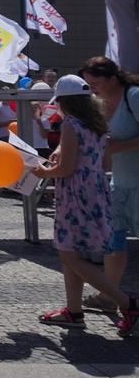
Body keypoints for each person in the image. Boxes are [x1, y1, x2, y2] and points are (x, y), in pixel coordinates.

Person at [32, 75, 139, 336]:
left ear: (65, 102)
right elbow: (103, 164)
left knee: (68, 255)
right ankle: (74, 311)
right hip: (96, 192)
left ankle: (127, 303)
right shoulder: (98, 124)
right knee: (73, 253)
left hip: (75, 196)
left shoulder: (70, 124)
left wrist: (43, 172)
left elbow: (66, 168)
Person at [79, 56, 139, 312]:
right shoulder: (99, 102)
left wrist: (117, 147)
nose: (92, 87)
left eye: (95, 82)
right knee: (113, 241)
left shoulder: (134, 96)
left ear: (112, 79)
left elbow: (114, 144)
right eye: (87, 83)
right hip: (120, 182)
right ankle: (107, 297)